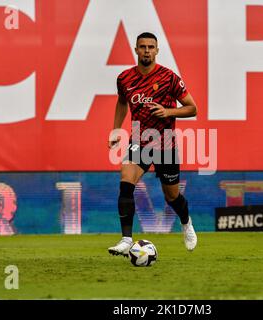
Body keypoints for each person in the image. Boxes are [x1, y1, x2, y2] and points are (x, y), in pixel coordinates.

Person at [107, 32, 198, 256]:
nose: (147, 50)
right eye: (142, 47)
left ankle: (186, 223)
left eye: (151, 47)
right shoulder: (124, 78)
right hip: (139, 141)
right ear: (136, 50)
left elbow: (192, 108)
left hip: (165, 144)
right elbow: (122, 103)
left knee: (172, 196)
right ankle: (126, 239)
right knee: (126, 179)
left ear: (157, 50)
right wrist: (116, 129)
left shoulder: (169, 78)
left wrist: (168, 111)